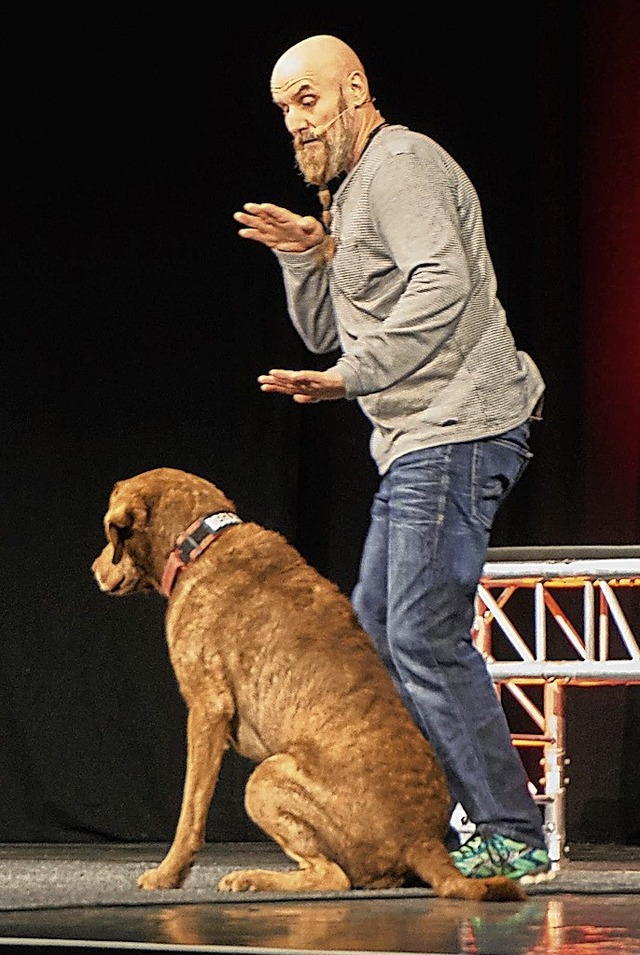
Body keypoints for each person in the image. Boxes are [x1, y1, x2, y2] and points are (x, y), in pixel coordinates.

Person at [233, 34, 551, 882]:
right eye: (283, 111)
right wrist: (307, 257)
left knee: (420, 629)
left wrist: (351, 377)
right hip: (418, 439)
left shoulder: (401, 164)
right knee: (381, 627)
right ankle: (438, 828)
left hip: (458, 427)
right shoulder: (352, 194)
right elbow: (330, 331)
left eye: (309, 99)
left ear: (355, 90)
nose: (297, 123)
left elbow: (440, 286)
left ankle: (512, 829)